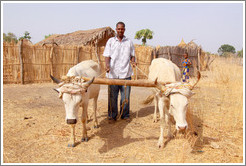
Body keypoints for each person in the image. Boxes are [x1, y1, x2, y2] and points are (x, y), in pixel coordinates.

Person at [103, 21, 136, 123]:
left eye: (122, 29)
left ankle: (125, 115)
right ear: (116, 29)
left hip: (126, 73)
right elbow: (107, 56)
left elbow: (132, 55)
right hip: (112, 74)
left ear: (124, 30)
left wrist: (133, 62)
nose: (120, 30)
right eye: (118, 29)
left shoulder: (129, 42)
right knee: (112, 97)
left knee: (125, 97)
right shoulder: (110, 41)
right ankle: (112, 116)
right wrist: (107, 66)